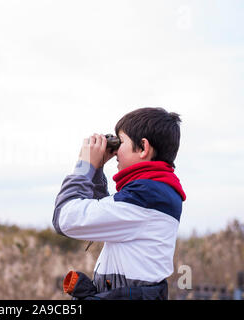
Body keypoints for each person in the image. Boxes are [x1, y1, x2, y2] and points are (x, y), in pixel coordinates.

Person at [52, 107, 186, 300]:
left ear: (143, 148)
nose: (115, 152)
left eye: (120, 142)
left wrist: (84, 166)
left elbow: (65, 218)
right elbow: (102, 213)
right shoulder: (155, 192)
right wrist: (97, 170)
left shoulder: (146, 197)